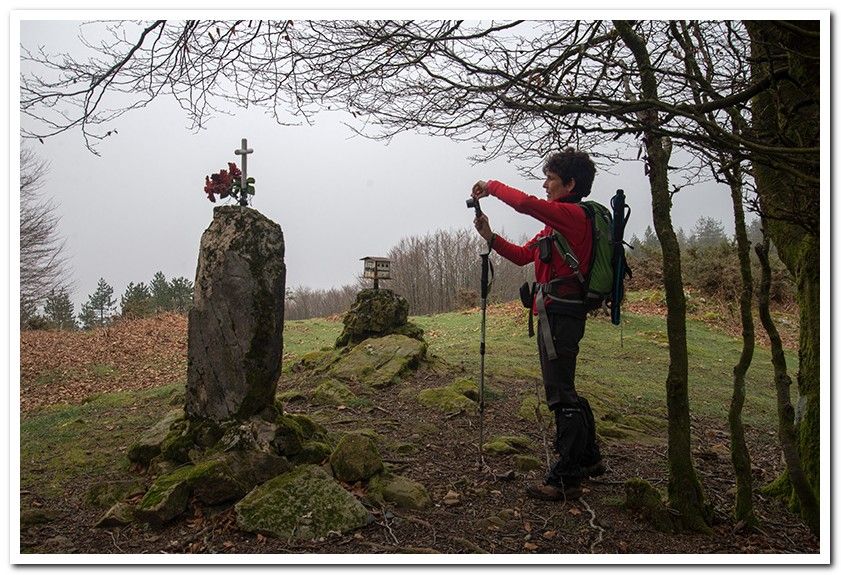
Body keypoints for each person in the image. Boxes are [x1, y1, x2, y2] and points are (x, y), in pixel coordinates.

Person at [471, 148, 605, 502]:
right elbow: (521, 256)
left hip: (561, 315)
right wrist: (490, 237)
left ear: (571, 185)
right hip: (555, 313)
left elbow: (525, 203)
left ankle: (566, 477)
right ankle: (589, 458)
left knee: (560, 394)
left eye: (551, 179)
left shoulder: (572, 216)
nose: (545, 185)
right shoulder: (555, 227)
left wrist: (490, 186)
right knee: (565, 387)